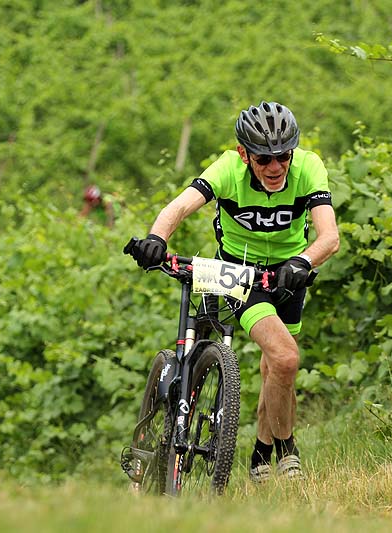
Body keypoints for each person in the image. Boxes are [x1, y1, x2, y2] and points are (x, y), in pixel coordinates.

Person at [127, 101, 340, 482]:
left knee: (277, 368)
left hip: (290, 276)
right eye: (264, 159)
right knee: (286, 358)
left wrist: (304, 261)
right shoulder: (227, 168)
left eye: (283, 156)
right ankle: (286, 450)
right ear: (244, 154)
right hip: (240, 276)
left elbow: (330, 237)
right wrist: (157, 237)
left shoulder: (308, 167)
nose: (276, 167)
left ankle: (260, 452)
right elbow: (178, 207)